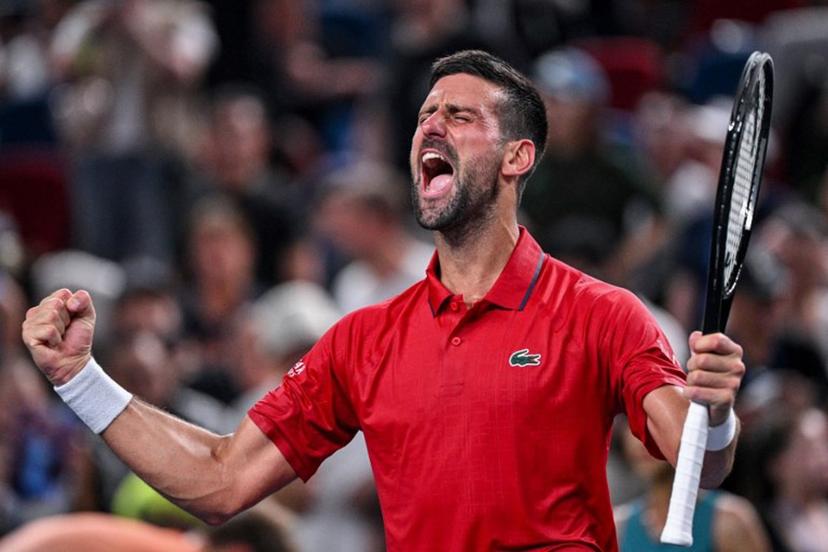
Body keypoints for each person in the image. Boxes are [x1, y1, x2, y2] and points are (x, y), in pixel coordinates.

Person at [21, 50, 746, 551]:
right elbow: (220, 479)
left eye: (461, 116)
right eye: (427, 114)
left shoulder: (601, 312)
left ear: (517, 159)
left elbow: (696, 463)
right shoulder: (362, 340)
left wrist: (712, 412)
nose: (431, 125)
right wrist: (78, 380)